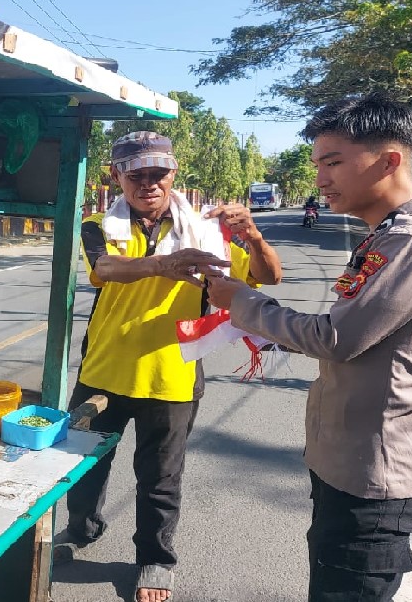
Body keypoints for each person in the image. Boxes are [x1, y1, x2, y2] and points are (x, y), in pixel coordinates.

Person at [206, 91, 412, 602]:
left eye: (333, 162)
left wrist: (241, 301)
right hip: (351, 459)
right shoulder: (389, 235)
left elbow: (335, 338)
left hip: (376, 469)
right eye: (316, 164)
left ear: (390, 160)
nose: (320, 178)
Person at [60, 130, 283, 602]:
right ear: (117, 176)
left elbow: (268, 276)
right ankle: (81, 530)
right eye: (135, 174)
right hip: (103, 370)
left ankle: (155, 561)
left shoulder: (208, 227)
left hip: (174, 373)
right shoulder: (98, 224)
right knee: (81, 466)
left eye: (157, 173)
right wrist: (165, 263)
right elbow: (106, 269)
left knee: (160, 479)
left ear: (173, 173)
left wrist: (253, 235)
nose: (148, 184)